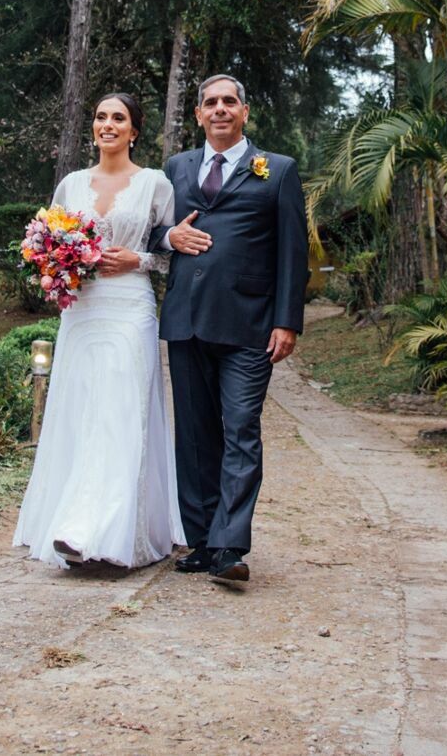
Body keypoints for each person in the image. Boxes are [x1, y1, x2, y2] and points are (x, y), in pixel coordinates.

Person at [12, 93, 185, 569]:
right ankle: (71, 525)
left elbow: (173, 256)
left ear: (134, 131)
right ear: (93, 127)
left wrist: (139, 259)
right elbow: (47, 244)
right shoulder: (70, 184)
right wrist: (55, 267)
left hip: (131, 306)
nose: (108, 124)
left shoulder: (155, 184)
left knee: (121, 411)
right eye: (101, 116)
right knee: (81, 410)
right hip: (82, 311)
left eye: (119, 118)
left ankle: (109, 535)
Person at [158, 73, 308, 586]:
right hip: (186, 319)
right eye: (210, 103)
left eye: (229, 102)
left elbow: (294, 252)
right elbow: (151, 225)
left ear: (244, 112)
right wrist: (167, 235)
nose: (220, 109)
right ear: (198, 114)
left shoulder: (278, 171)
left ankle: (229, 544)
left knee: (241, 429)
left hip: (249, 326)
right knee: (195, 435)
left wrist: (287, 320)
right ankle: (201, 540)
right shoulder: (176, 167)